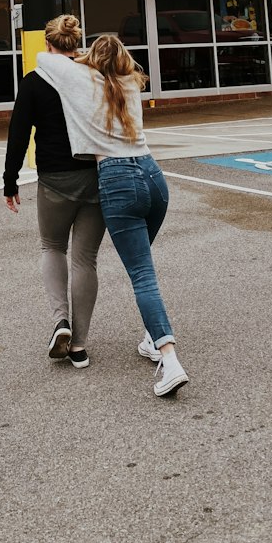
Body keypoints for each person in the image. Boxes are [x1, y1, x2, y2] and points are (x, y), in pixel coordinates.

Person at [36, 35, 188, 398]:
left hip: (118, 180)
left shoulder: (81, 79)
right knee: (143, 265)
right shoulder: (131, 82)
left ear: (91, 58)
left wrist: (78, 58)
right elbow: (120, 67)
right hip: (153, 176)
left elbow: (44, 58)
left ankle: (170, 360)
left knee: (142, 276)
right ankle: (153, 339)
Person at [3, 15, 104, 369]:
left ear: (47, 44)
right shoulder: (93, 76)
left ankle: (60, 320)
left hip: (54, 179)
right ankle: (79, 345)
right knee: (85, 259)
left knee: (52, 246)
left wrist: (10, 180)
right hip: (94, 175)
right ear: (76, 44)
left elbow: (18, 134)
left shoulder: (34, 82)